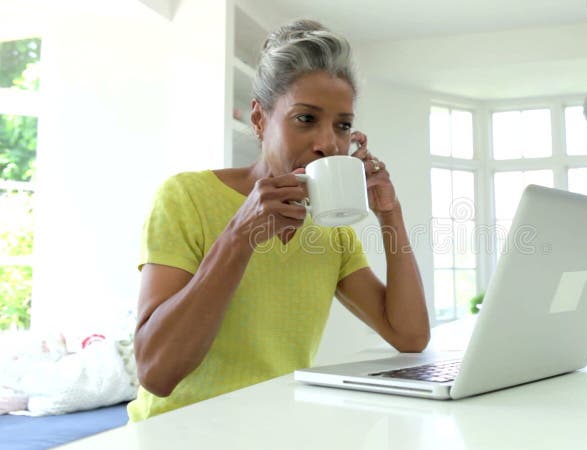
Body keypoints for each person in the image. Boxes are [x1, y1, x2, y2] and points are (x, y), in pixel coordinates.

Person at [127, 19, 430, 422]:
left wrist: (390, 214)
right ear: (259, 119)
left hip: (277, 430)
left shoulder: (331, 230)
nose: (328, 143)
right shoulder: (185, 197)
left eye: (343, 125)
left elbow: (409, 337)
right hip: (179, 434)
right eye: (306, 119)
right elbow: (156, 374)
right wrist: (239, 236)